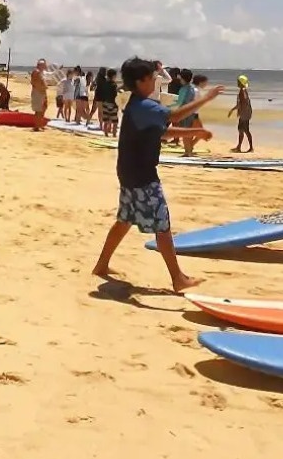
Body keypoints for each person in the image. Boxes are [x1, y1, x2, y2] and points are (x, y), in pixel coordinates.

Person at [92, 57, 225, 293]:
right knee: (162, 225)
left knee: (124, 220)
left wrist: (197, 131)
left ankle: (101, 266)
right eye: (152, 77)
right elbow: (172, 117)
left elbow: (162, 133)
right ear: (141, 81)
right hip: (143, 175)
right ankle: (178, 278)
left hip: (128, 171)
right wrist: (206, 99)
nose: (155, 80)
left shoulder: (138, 105)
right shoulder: (145, 107)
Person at [174, 69, 213, 156]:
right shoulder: (193, 90)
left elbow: (184, 102)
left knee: (190, 133)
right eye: (205, 82)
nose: (206, 84)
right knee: (195, 132)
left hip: (190, 113)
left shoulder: (190, 89)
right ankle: (188, 150)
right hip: (192, 114)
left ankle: (188, 150)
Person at [228, 74, 254, 153]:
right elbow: (243, 103)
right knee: (241, 130)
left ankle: (250, 148)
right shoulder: (243, 90)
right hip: (246, 113)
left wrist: (234, 110)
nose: (237, 82)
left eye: (238, 81)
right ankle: (239, 147)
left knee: (245, 130)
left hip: (244, 114)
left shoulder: (242, 91)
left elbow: (242, 103)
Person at [30, 58, 48, 131]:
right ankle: (37, 126)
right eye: (44, 65)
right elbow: (35, 83)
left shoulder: (40, 72)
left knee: (42, 108)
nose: (45, 66)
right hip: (38, 93)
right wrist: (42, 88)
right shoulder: (36, 72)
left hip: (41, 92)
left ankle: (39, 124)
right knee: (38, 110)